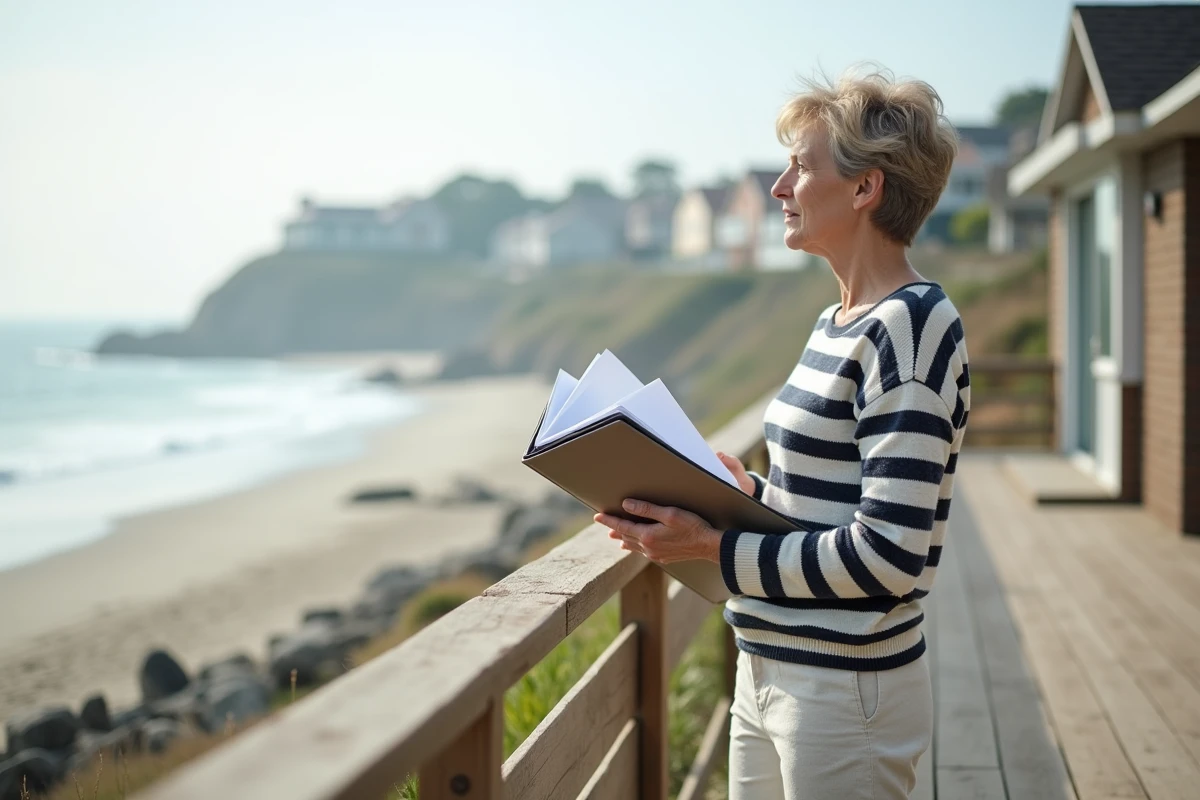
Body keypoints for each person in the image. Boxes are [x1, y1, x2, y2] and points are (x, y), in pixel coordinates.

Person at [594, 68, 969, 799]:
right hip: (766, 668)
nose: (778, 188)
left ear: (866, 189)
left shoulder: (912, 328)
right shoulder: (835, 321)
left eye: (800, 166)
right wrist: (747, 492)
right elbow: (835, 504)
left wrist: (714, 547)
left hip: (843, 693)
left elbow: (891, 556)